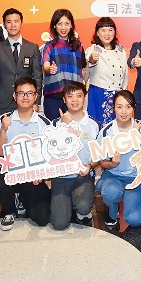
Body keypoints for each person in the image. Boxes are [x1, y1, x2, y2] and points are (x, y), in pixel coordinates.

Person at [0, 77, 53, 229]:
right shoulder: (3, 119)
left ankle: (22, 199)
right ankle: (9, 211)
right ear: (14, 96)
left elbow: (48, 155)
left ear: (36, 96)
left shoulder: (45, 123)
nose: (25, 97)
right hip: (11, 172)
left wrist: (41, 174)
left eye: (29, 93)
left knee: (42, 219)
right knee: (1, 183)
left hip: (33, 175)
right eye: (21, 93)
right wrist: (3, 130)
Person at [96, 90, 141, 228]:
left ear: (133, 108)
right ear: (113, 108)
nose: (124, 111)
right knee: (111, 192)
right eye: (119, 107)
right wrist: (112, 164)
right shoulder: (107, 131)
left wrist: (138, 136)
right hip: (113, 176)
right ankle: (112, 208)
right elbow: (102, 162)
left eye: (128, 107)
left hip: (137, 178)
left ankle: (135, 199)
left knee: (135, 220)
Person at [49, 81, 99, 230]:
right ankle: (67, 204)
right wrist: (64, 126)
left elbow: (99, 155)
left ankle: (83, 213)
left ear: (84, 98)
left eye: (79, 96)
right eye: (70, 96)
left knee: (83, 206)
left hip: (83, 177)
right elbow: (50, 154)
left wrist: (90, 166)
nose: (75, 100)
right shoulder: (55, 124)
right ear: (64, 100)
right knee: (59, 224)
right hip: (61, 178)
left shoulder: (94, 125)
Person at [0, 8, 42, 117]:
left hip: (26, 100)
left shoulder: (32, 47)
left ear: (22, 23)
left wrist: (36, 102)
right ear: (4, 25)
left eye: (16, 21)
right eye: (9, 22)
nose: (13, 25)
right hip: (3, 102)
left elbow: (37, 76)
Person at [41, 8, 86, 118]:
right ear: (54, 26)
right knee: (54, 126)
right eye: (60, 24)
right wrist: (49, 69)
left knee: (75, 127)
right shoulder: (49, 46)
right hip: (54, 95)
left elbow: (83, 69)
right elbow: (45, 65)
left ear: (71, 26)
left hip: (74, 97)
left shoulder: (79, 46)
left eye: (67, 24)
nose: (63, 27)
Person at [85, 16, 128, 124]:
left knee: (117, 127)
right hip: (99, 95)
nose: (107, 34)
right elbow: (90, 61)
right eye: (103, 30)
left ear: (114, 32)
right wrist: (93, 58)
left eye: (110, 30)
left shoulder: (121, 50)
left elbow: (125, 74)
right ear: (97, 33)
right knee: (98, 125)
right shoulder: (93, 49)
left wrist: (124, 94)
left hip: (118, 96)